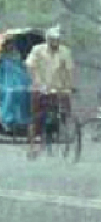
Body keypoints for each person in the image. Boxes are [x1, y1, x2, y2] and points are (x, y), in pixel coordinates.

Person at [25, 25, 75, 159]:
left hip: (57, 87)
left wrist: (69, 86)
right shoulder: (38, 50)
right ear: (47, 39)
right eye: (52, 40)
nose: (55, 43)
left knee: (65, 109)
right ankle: (32, 146)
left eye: (57, 40)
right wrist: (38, 83)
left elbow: (69, 70)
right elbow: (31, 66)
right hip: (40, 88)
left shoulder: (65, 51)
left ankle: (63, 132)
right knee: (37, 117)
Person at [0, 36, 32, 133]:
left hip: (19, 81)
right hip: (4, 82)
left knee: (26, 92)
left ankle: (24, 121)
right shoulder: (2, 57)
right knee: (10, 93)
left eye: (12, 44)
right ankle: (6, 119)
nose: (11, 46)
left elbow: (23, 70)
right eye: (8, 44)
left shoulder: (17, 55)